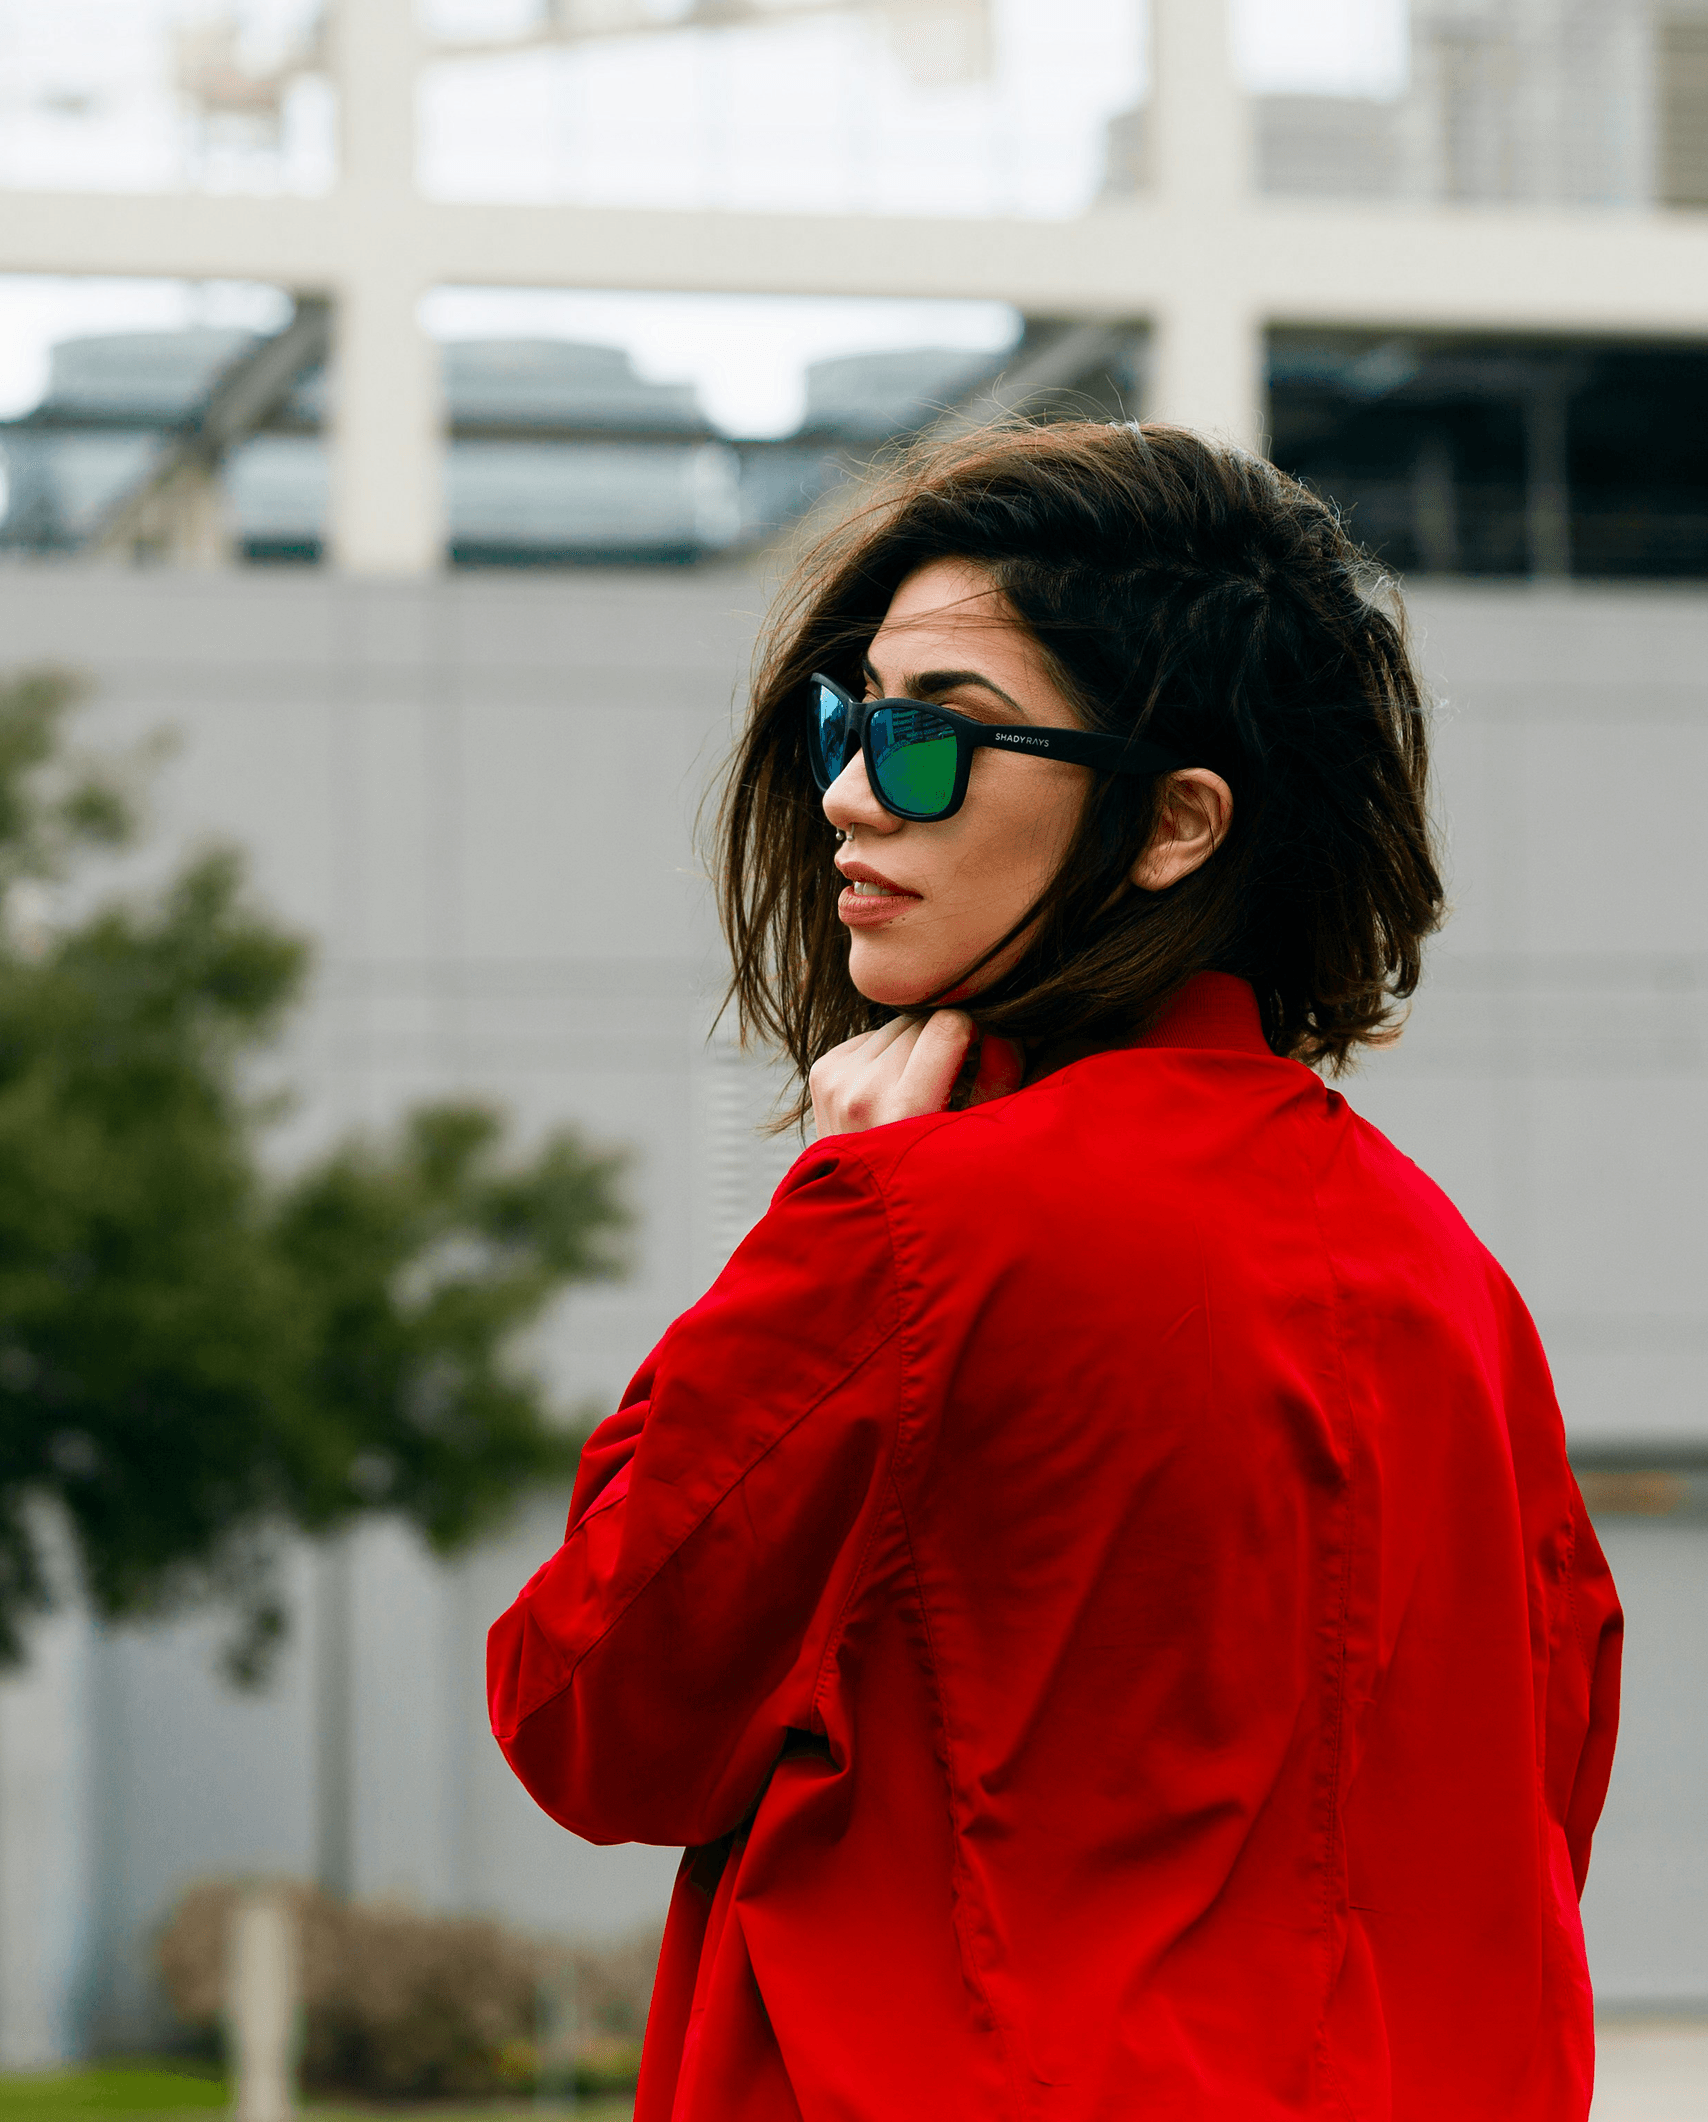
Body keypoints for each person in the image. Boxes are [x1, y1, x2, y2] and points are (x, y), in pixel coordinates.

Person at [487, 421, 1622, 2120]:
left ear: (1176, 824)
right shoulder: (1456, 1285)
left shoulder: (913, 1228)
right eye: (845, 720)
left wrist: (834, 1198)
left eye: (932, 737)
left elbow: (593, 1711)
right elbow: (1538, 1813)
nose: (853, 790)